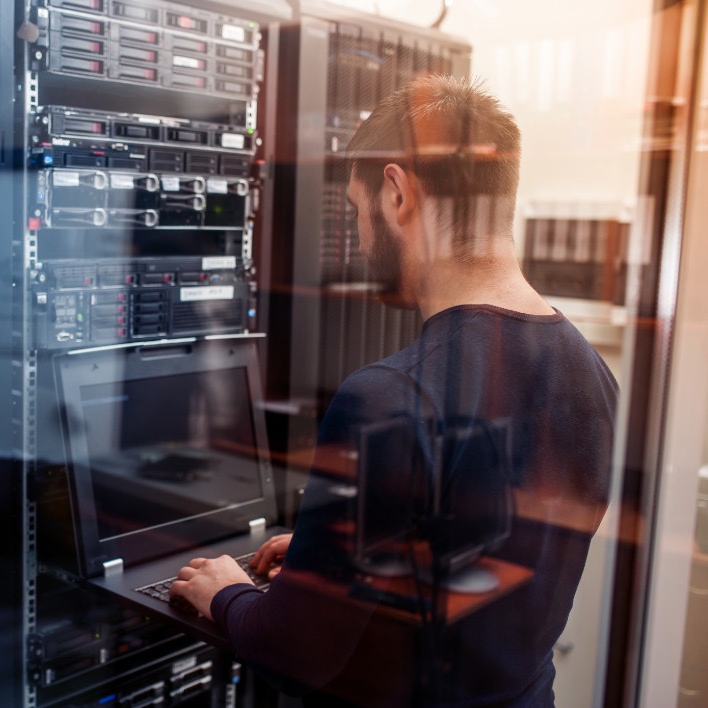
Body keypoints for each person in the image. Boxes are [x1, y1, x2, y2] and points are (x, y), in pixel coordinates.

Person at [168, 75, 618, 706]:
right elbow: (483, 551)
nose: (359, 239)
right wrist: (332, 556)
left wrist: (226, 591)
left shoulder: (387, 396)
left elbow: (299, 652)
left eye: (357, 211)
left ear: (398, 190)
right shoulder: (592, 372)